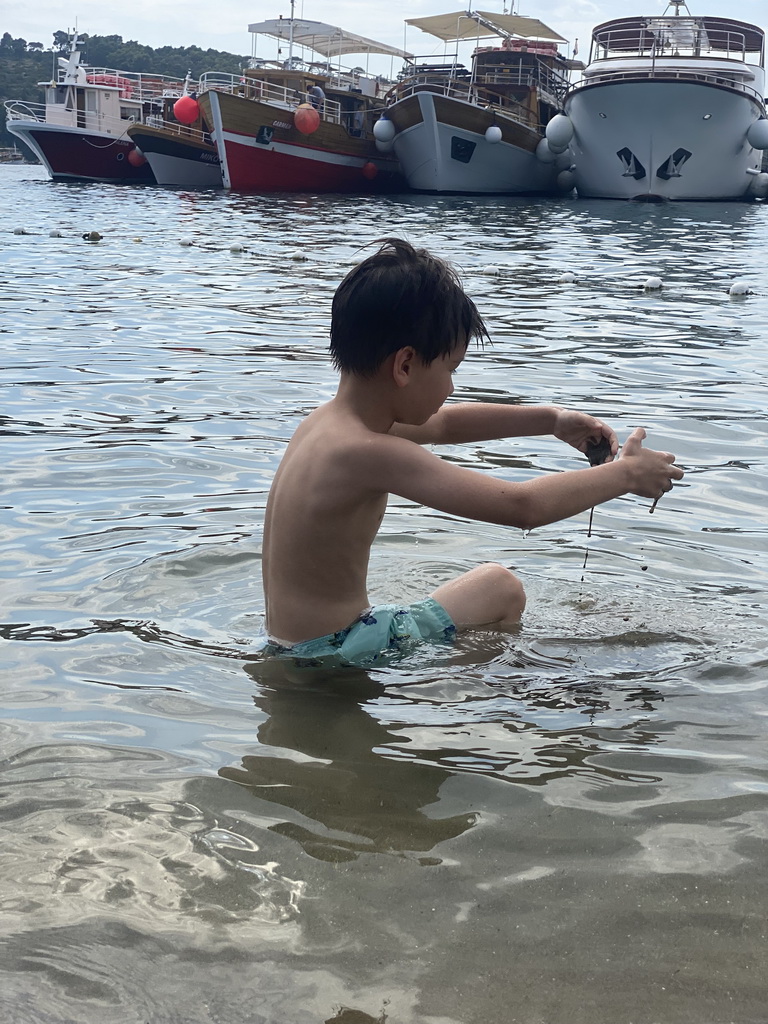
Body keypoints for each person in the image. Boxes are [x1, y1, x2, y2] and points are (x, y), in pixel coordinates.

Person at [261, 238, 683, 664]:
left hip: (290, 645)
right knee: (498, 586)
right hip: (334, 653)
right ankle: (493, 689)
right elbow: (524, 506)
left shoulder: (326, 425)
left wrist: (550, 420)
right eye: (450, 370)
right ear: (405, 366)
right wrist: (626, 474)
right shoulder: (369, 452)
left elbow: (445, 424)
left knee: (478, 593)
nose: (451, 388)